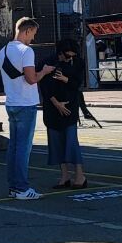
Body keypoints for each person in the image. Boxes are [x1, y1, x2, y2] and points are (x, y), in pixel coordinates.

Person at [0, 17, 55, 200]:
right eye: (33, 34)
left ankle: (14, 187)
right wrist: (44, 72)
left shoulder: (2, 51)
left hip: (12, 103)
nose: (33, 39)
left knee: (13, 147)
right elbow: (31, 79)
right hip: (26, 104)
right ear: (27, 31)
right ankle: (22, 188)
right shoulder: (26, 51)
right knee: (23, 148)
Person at [40, 39, 86, 189]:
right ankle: (64, 176)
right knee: (56, 141)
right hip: (52, 108)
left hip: (70, 106)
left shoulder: (78, 62)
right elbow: (44, 86)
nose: (70, 59)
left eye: (72, 56)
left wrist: (65, 79)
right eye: (67, 56)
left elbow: (77, 83)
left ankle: (80, 176)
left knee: (71, 141)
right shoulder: (48, 62)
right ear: (60, 53)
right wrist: (55, 102)